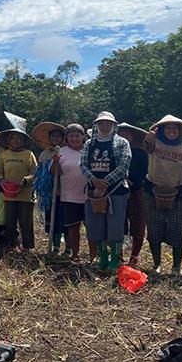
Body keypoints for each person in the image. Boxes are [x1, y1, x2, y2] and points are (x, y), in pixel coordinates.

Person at [143, 115, 182, 275]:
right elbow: (147, 146)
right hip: (153, 189)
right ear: (162, 130)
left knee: (178, 229)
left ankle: (176, 266)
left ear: (179, 131)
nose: (171, 131)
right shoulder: (154, 143)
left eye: (174, 128)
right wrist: (148, 138)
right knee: (153, 228)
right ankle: (157, 264)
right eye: (168, 128)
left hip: (178, 190)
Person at [81, 112, 131, 271]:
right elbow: (83, 164)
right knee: (96, 225)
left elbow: (124, 165)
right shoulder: (89, 143)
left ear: (113, 125)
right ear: (96, 125)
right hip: (93, 191)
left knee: (115, 226)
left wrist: (105, 182)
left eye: (107, 123)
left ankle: (115, 259)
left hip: (116, 190)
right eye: (101, 123)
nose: (104, 126)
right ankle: (102, 257)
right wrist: (94, 181)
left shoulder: (122, 143)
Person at [54, 124, 90, 262]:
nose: (74, 138)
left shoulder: (89, 150)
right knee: (72, 228)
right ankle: (75, 254)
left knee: (91, 227)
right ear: (67, 138)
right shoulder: (61, 151)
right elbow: (54, 172)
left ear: (83, 137)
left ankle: (94, 255)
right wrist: (55, 162)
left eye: (77, 135)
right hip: (69, 196)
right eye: (71, 136)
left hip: (89, 196)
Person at [0, 128, 37, 251]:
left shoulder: (29, 154)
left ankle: (27, 246)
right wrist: (2, 180)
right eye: (13, 138)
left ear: (24, 141)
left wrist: (25, 180)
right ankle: (11, 245)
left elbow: (35, 173)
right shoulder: (4, 154)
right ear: (9, 140)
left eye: (19, 138)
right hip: (9, 194)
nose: (16, 140)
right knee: (10, 221)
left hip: (26, 194)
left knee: (26, 222)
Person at [117, 123, 149, 267]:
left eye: (127, 134)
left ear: (132, 136)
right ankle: (118, 255)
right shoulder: (114, 152)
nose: (124, 136)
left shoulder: (140, 153)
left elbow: (145, 173)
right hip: (117, 190)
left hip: (137, 191)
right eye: (121, 133)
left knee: (138, 224)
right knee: (118, 224)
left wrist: (133, 183)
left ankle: (134, 255)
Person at [33, 122, 66, 253]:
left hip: (63, 191)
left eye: (59, 136)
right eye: (53, 136)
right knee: (51, 219)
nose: (56, 139)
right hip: (49, 192)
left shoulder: (64, 152)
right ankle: (54, 246)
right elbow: (40, 172)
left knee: (62, 220)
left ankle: (66, 247)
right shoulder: (44, 154)